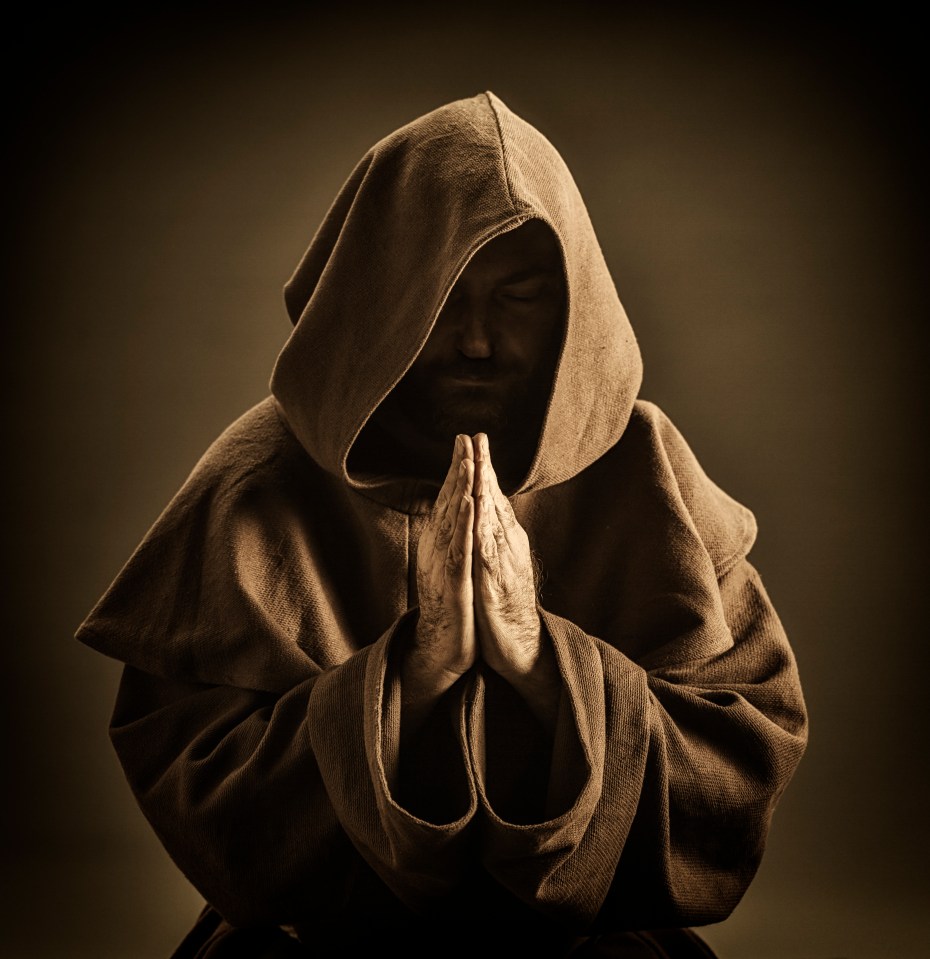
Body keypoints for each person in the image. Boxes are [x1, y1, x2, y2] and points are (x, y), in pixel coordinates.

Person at [75, 91, 808, 958]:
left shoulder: (646, 469)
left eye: (520, 296)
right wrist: (412, 672)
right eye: (443, 296)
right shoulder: (259, 476)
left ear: (569, 303)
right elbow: (201, 782)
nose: (475, 340)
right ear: (379, 296)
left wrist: (540, 657)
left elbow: (742, 753)